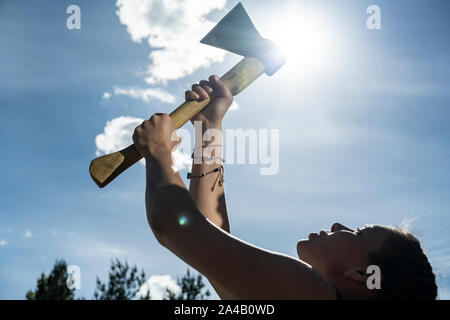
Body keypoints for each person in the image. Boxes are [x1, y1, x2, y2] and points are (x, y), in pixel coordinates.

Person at [132, 75, 437, 300]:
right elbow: (210, 239)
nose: (337, 224)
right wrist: (208, 129)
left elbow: (176, 227)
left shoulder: (311, 293)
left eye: (358, 232)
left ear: (362, 274)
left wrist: (159, 153)